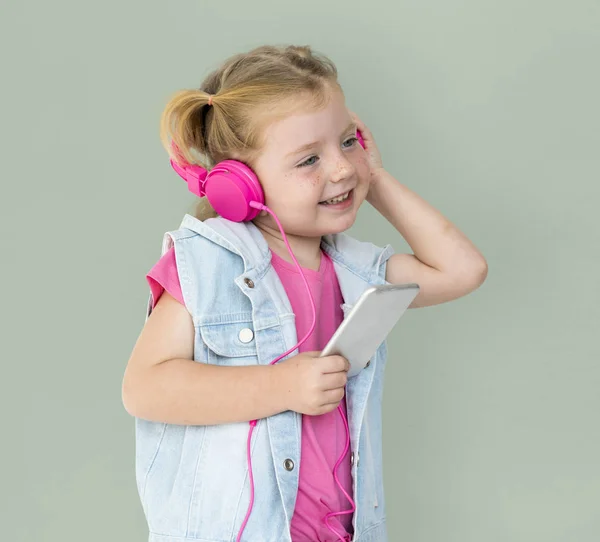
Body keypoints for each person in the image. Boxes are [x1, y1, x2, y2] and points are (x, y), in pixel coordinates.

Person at [121, 44, 487, 542]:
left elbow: (462, 270)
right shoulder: (206, 265)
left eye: (348, 141)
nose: (341, 169)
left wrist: (374, 178)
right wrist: (281, 387)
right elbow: (144, 389)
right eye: (309, 158)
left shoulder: (354, 269)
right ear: (239, 184)